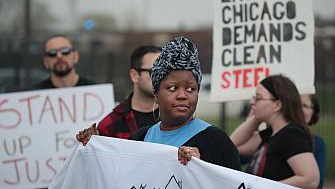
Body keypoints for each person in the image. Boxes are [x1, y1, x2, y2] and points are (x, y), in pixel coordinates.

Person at [77, 37, 241, 170]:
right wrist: (94, 147)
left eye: (191, 89)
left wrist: (202, 167)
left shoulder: (216, 142)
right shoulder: (140, 138)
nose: (183, 95)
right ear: (156, 94)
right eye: (172, 88)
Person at [230, 75, 319, 188]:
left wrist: (264, 187)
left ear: (277, 105)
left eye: (258, 98)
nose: (252, 102)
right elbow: (232, 145)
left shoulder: (291, 135)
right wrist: (255, 118)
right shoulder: (271, 134)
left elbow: (311, 179)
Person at [96, 45, 162, 139]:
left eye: (164, 72)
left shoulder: (176, 117)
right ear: (134, 75)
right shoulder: (111, 124)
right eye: (154, 72)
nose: (160, 78)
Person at [301, 94, 326, 189]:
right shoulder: (275, 135)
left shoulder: (318, 142)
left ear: (313, 112)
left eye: (305, 106)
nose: (300, 109)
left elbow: (318, 184)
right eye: (296, 105)